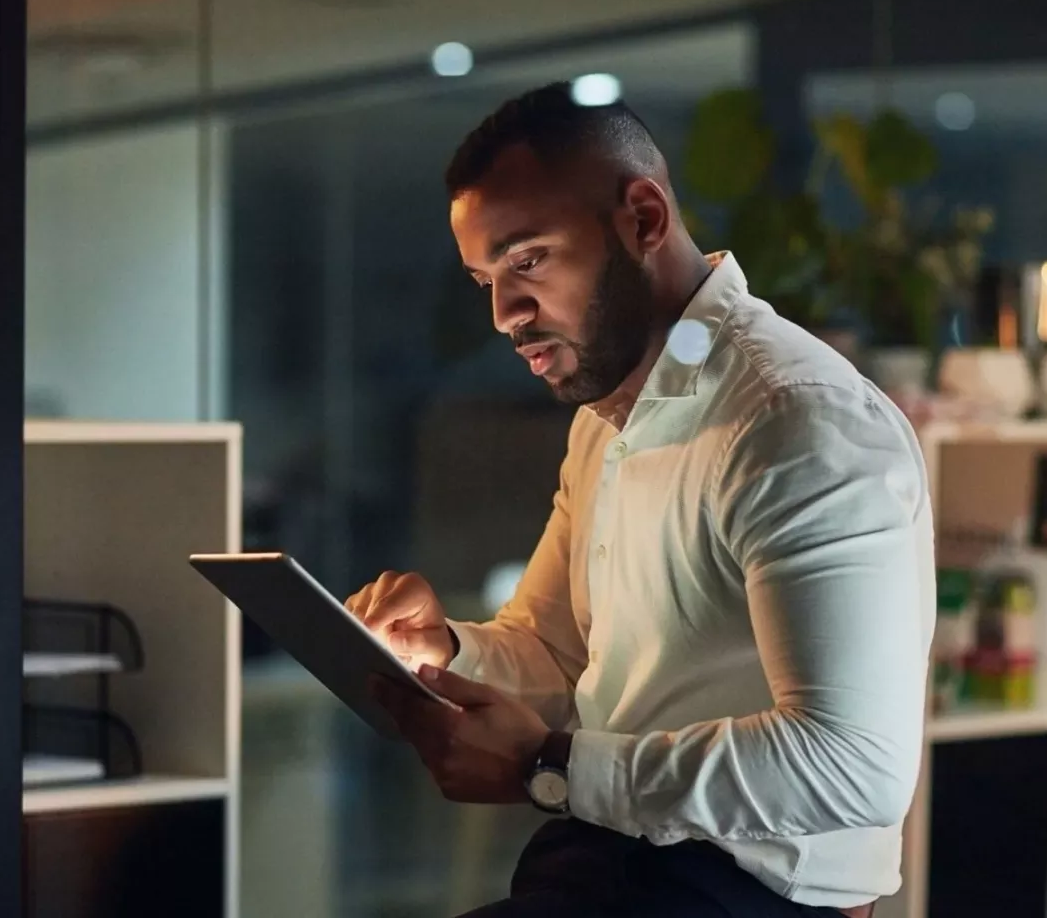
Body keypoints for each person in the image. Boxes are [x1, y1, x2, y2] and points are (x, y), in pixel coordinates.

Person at [345, 82, 935, 917]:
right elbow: (555, 657)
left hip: (745, 894)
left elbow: (851, 768)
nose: (505, 314)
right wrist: (440, 650)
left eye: (528, 260)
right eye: (485, 279)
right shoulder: (607, 417)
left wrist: (547, 764)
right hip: (605, 863)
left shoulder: (798, 421)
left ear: (645, 220)